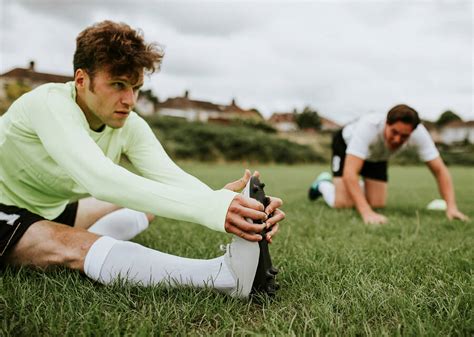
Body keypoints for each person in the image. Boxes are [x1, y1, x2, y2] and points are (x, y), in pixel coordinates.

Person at [0, 21, 285, 299]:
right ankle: (222, 277)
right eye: (118, 84)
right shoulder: (48, 104)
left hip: (49, 209)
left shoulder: (129, 125)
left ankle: (83, 247)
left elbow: (169, 177)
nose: (130, 100)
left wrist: (238, 208)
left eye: (135, 87)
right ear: (81, 80)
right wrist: (213, 208)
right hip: (2, 206)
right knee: (77, 244)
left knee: (145, 207)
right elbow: (100, 179)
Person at [308, 104, 468, 224]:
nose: (397, 140)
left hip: (378, 156)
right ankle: (322, 184)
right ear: (386, 123)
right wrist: (366, 212)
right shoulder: (368, 127)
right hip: (345, 146)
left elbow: (440, 170)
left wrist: (451, 207)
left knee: (377, 203)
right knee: (343, 203)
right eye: (394, 132)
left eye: (404, 136)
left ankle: (353, 188)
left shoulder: (419, 134)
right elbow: (351, 173)